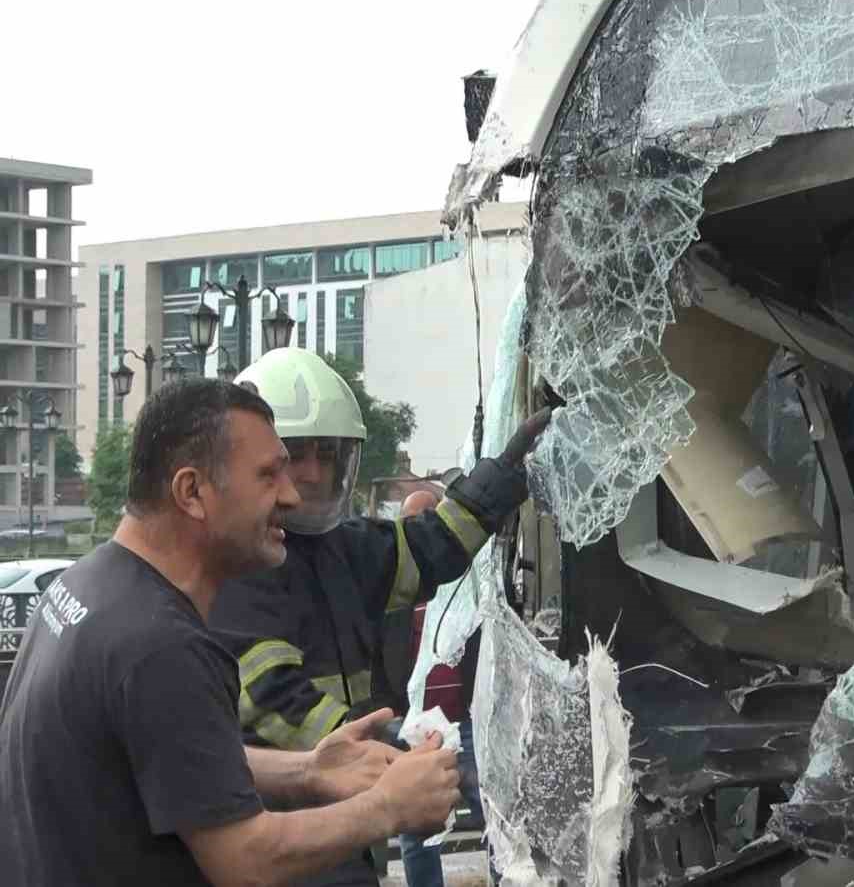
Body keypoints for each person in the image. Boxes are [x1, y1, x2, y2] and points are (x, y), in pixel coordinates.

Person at [0, 379, 460, 886]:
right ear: (191, 492)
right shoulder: (161, 647)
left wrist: (308, 771)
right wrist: (387, 806)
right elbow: (248, 862)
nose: (290, 494)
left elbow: (167, 754)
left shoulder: (84, 586)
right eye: (268, 475)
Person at [209, 347, 547, 887]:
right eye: (298, 455)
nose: (316, 473)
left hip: (350, 813)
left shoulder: (347, 547)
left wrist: (504, 473)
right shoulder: (239, 563)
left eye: (329, 454)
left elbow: (434, 544)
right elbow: (274, 698)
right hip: (281, 823)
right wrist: (393, 746)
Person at [397, 489, 494, 887]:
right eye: (411, 521)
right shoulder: (396, 591)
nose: (420, 529)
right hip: (417, 729)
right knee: (416, 831)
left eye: (428, 517)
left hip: (467, 725)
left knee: (494, 819)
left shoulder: (467, 583)